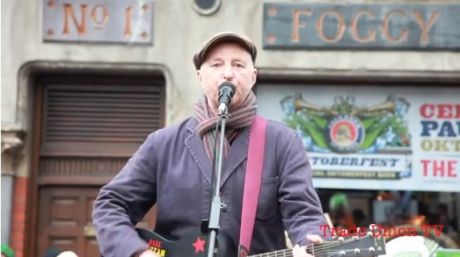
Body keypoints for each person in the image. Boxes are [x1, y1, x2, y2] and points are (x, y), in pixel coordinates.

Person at [92, 31, 327, 257]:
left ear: (253, 76)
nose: (227, 74)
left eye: (238, 65)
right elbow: (111, 205)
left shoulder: (283, 142)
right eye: (216, 65)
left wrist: (309, 242)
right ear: (199, 77)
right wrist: (137, 251)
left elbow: (303, 214)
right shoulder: (162, 144)